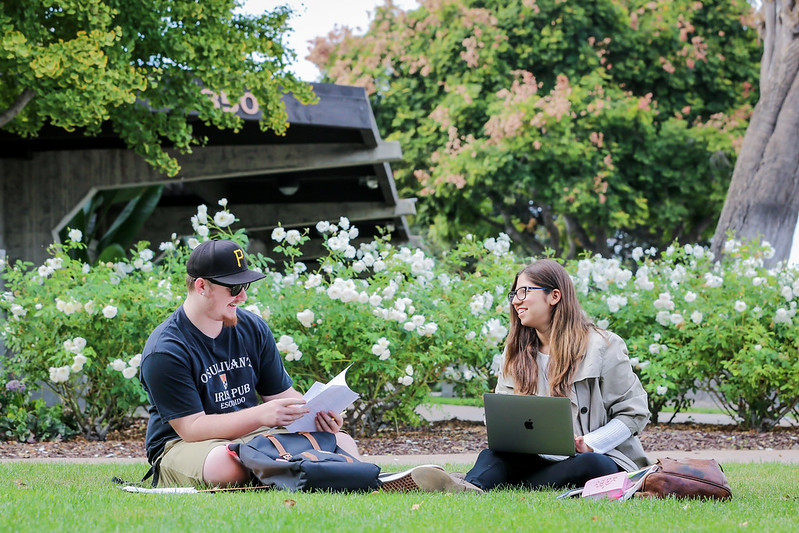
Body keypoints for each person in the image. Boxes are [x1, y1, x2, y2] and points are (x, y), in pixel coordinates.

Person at [140, 239, 479, 493]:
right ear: (202, 286)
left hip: (251, 436)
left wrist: (318, 413)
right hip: (182, 446)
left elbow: (282, 394)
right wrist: (262, 416)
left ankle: (340, 475)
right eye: (235, 287)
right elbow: (191, 428)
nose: (243, 297)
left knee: (343, 442)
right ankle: (354, 477)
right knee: (223, 468)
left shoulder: (251, 327)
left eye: (245, 286)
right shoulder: (166, 349)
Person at [464, 259, 651, 491]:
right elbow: (502, 417)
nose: (516, 301)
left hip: (593, 457)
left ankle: (508, 485)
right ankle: (466, 486)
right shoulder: (515, 353)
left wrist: (589, 444)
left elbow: (633, 414)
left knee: (592, 465)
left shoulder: (604, 346)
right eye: (513, 294)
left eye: (523, 291)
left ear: (554, 296)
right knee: (491, 457)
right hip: (534, 459)